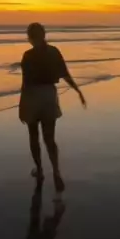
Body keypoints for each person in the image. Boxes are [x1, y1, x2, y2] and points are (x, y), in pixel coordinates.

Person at [19, 23, 86, 190]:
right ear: (44, 35)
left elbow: (25, 84)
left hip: (33, 95)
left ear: (30, 38)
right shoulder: (54, 52)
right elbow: (65, 73)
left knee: (33, 135)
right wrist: (77, 90)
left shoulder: (28, 55)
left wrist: (21, 106)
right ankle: (56, 171)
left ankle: (40, 170)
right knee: (49, 138)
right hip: (49, 95)